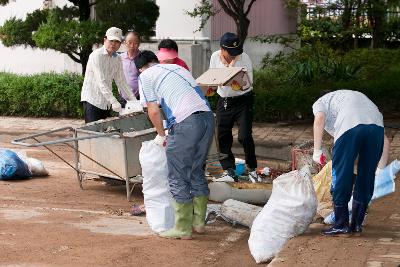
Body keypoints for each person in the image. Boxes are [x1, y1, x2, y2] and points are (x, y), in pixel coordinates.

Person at [134, 50, 214, 239]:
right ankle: (199, 223)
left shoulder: (145, 76)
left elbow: (153, 111)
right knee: (196, 170)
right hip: (208, 119)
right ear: (156, 60)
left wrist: (161, 135)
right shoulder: (177, 67)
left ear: (140, 69)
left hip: (185, 123)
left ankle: (182, 228)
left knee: (178, 175)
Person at [312, 89, 384, 236]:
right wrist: (380, 168)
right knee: (366, 176)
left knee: (341, 173)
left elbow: (319, 120)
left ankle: (341, 223)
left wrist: (317, 151)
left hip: (350, 125)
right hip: (377, 127)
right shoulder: (349, 98)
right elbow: (386, 141)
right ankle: (357, 223)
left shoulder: (321, 102)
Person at [209, 32, 259, 182]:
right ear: (222, 49)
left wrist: (231, 69)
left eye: (235, 52)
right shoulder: (214, 56)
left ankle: (252, 168)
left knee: (244, 136)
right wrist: (211, 86)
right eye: (230, 53)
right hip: (224, 101)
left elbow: (247, 83)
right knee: (223, 137)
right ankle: (228, 170)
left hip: (243, 100)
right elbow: (213, 77)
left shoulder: (244, 57)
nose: (233, 55)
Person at [81, 27, 137, 123]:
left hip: (106, 102)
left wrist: (134, 101)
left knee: (105, 133)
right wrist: (113, 101)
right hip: (92, 99)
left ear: (120, 43)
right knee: (92, 133)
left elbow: (121, 81)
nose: (113, 44)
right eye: (111, 41)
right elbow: (100, 81)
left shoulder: (117, 58)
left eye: (117, 42)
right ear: (105, 40)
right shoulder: (96, 56)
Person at [119, 30, 141, 107]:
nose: (132, 46)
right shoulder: (120, 58)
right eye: (130, 42)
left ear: (139, 44)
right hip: (123, 97)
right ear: (124, 43)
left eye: (135, 43)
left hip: (139, 96)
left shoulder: (143, 57)